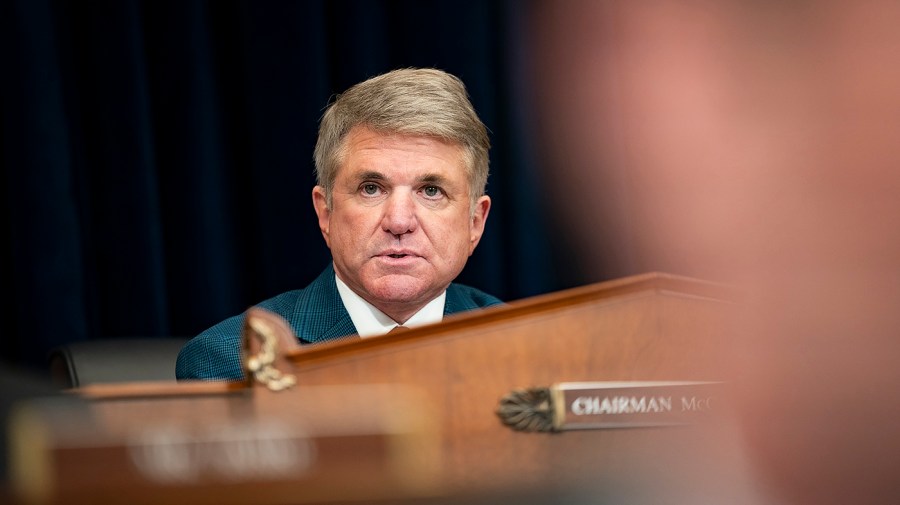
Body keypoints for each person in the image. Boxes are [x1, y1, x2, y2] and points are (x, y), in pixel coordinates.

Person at [176, 68, 501, 381]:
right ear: (326, 213)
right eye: (371, 188)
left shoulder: (528, 347)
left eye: (431, 191)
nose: (399, 222)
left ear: (475, 222)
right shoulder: (230, 362)